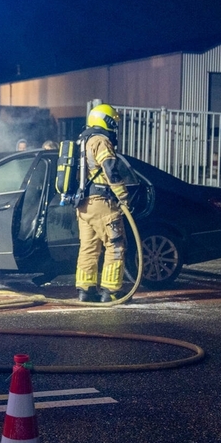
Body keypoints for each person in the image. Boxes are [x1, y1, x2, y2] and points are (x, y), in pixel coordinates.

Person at [74, 103, 129, 303]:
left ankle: (85, 290)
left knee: (88, 247)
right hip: (102, 203)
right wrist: (123, 196)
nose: (115, 127)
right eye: (113, 122)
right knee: (115, 245)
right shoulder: (101, 141)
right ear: (106, 121)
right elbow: (110, 169)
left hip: (83, 205)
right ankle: (111, 291)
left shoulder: (82, 140)